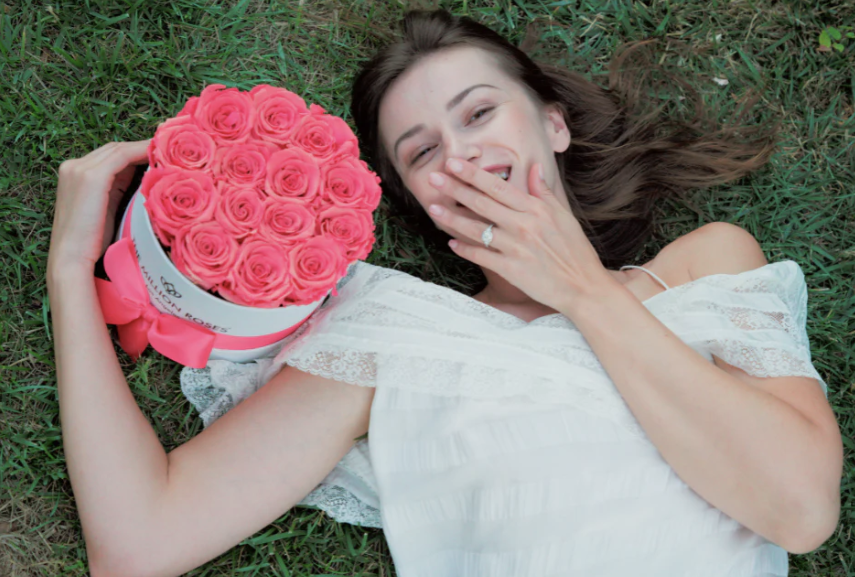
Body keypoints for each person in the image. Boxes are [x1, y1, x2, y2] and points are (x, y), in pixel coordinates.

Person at [46, 9, 842, 577]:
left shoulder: (703, 268)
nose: (460, 157)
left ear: (553, 125)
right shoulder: (389, 334)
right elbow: (139, 540)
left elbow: (800, 510)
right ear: (414, 201)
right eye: (421, 151)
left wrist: (581, 290)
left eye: (480, 112)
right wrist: (71, 269)